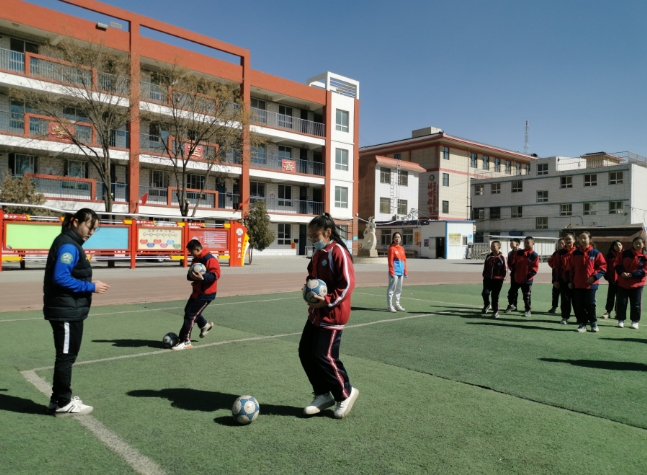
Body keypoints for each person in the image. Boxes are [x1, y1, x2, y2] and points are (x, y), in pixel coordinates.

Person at [44, 209, 110, 416]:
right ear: (74, 222)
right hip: (66, 311)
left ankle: (57, 399)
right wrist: (90, 287)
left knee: (66, 355)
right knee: (66, 357)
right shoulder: (68, 246)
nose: (91, 232)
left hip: (66, 308)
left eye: (94, 229)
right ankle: (63, 402)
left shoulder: (69, 243)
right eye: (89, 226)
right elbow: (61, 278)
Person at [299, 213, 358, 419]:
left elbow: (348, 284)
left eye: (316, 236)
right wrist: (308, 287)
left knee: (324, 356)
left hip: (333, 314)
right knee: (305, 353)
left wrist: (328, 300)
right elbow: (313, 277)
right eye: (311, 237)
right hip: (316, 313)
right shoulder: (318, 254)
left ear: (328, 233)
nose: (313, 240)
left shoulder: (338, 252)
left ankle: (345, 394)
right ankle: (323, 394)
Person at [172, 239, 220, 351]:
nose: (190, 254)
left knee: (190, 315)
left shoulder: (210, 259)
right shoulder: (196, 259)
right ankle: (204, 325)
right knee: (189, 311)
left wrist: (202, 277)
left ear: (198, 249)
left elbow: (216, 274)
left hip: (206, 293)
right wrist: (191, 276)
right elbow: (189, 275)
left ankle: (185, 341)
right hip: (197, 291)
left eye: (191, 252)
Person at [566, 231, 607, 333]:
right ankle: (582, 324)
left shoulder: (596, 253)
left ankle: (593, 323)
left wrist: (594, 277)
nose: (583, 240)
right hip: (578, 284)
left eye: (585, 238)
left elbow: (603, 268)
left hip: (591, 285)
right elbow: (569, 268)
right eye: (581, 238)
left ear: (590, 240)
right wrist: (570, 281)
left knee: (590, 304)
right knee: (579, 305)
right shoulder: (575, 254)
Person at [615, 236, 647, 329]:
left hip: (637, 285)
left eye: (640, 243)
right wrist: (622, 272)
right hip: (623, 283)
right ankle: (621, 320)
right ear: (632, 244)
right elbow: (617, 264)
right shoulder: (623, 253)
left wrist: (632, 274)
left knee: (636, 304)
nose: (637, 245)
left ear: (644, 245)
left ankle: (635, 321)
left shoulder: (645, 256)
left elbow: (645, 270)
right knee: (621, 303)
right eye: (636, 243)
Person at [506, 236, 539, 317]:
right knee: (511, 293)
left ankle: (528, 310)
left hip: (527, 280)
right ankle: (512, 305)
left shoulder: (534, 255)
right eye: (525, 243)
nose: (526, 244)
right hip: (517, 278)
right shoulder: (519, 253)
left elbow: (535, 269)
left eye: (528, 243)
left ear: (533, 243)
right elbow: (514, 264)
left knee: (526, 296)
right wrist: (514, 272)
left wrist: (528, 276)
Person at [482, 240, 507, 318]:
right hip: (487, 279)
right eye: (491, 246)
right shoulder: (488, 256)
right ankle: (487, 305)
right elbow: (485, 266)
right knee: (485, 293)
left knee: (495, 296)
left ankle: (496, 311)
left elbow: (505, 269)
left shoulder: (502, 258)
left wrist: (503, 278)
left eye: (494, 246)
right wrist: (484, 274)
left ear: (499, 247)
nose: (492, 247)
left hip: (498, 280)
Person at [387, 232, 408, 313]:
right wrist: (392, 272)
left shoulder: (402, 249)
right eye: (396, 237)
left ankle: (397, 304)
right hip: (394, 272)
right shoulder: (391, 249)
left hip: (401, 272)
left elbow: (404, 261)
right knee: (391, 289)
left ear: (401, 239)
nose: (397, 239)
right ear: (393, 239)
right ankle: (389, 306)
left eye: (399, 237)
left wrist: (405, 272)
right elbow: (390, 262)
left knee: (399, 289)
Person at [602, 240, 623, 319]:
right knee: (610, 297)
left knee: (620, 298)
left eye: (620, 245)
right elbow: (605, 266)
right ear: (613, 247)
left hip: (622, 281)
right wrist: (606, 276)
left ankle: (617, 313)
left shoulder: (624, 254)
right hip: (612, 280)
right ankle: (608, 312)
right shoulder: (609, 255)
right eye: (616, 245)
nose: (618, 247)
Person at [547, 238, 565, 313]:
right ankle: (554, 307)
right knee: (555, 293)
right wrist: (555, 265)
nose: (561, 245)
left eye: (563, 243)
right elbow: (550, 261)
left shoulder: (568, 253)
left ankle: (565, 309)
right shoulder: (555, 253)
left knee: (565, 295)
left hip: (564, 277)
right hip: (556, 275)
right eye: (560, 243)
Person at [505, 238, 521, 313]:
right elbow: (509, 263)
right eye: (510, 243)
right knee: (512, 291)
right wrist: (511, 268)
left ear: (517, 244)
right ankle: (512, 305)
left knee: (526, 292)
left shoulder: (522, 252)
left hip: (522, 275)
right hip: (514, 274)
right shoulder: (510, 253)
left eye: (512, 243)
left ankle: (528, 309)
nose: (510, 245)